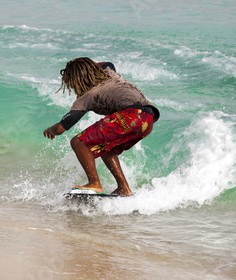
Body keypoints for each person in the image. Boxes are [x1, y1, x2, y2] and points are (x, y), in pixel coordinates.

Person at [43, 57, 160, 196]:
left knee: (78, 142)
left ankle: (94, 183)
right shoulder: (110, 73)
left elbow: (60, 129)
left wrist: (50, 129)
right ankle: (124, 188)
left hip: (131, 115)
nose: (72, 87)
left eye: (71, 83)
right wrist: (86, 67)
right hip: (148, 119)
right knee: (105, 147)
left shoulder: (86, 96)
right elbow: (107, 63)